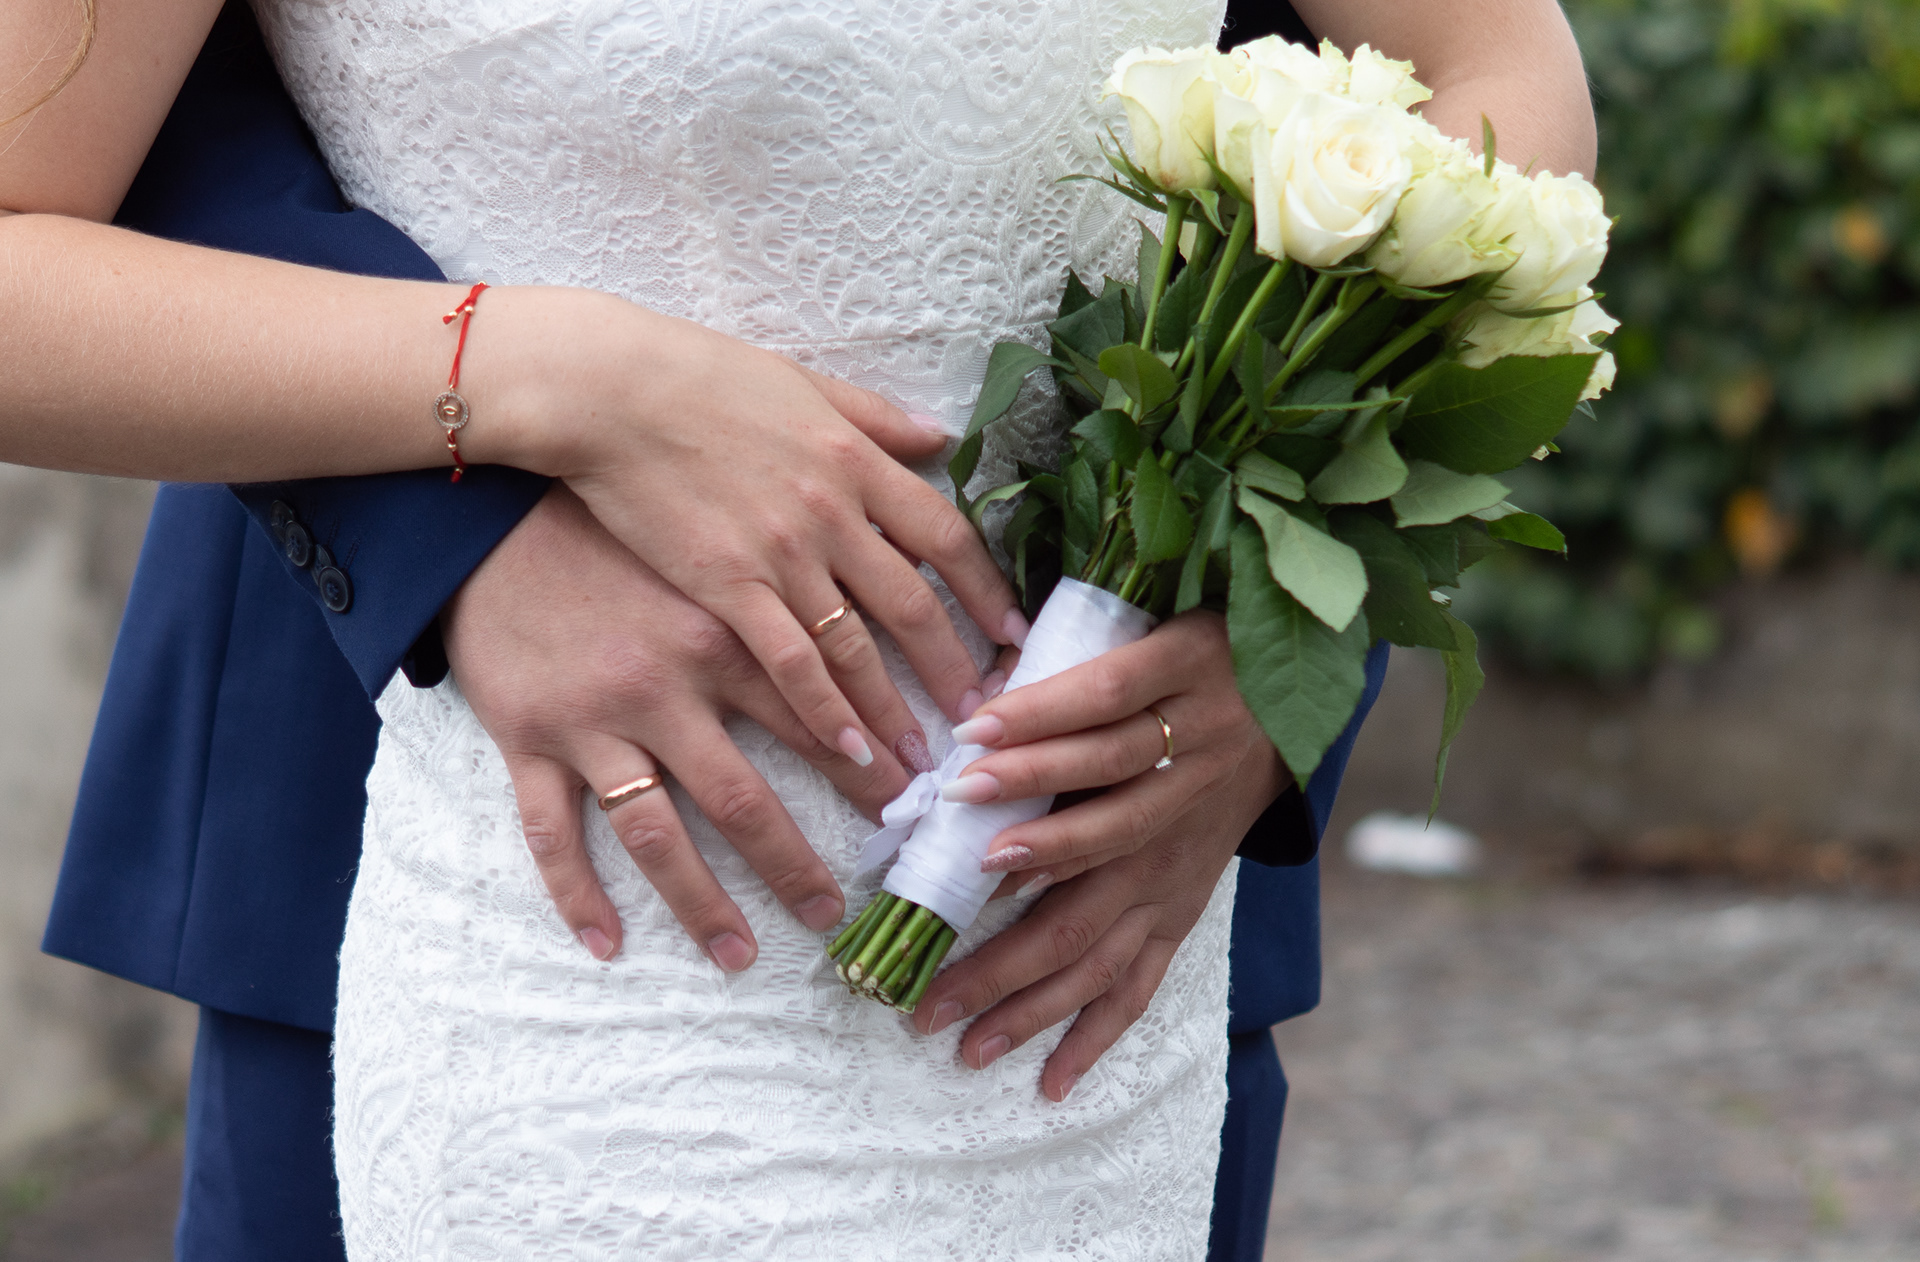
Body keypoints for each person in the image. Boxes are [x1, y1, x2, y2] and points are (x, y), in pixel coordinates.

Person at [0, 0, 1594, 1257]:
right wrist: (491, 480)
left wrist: (1273, 635)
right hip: (450, 854)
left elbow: (1457, 113)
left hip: (1097, 914)